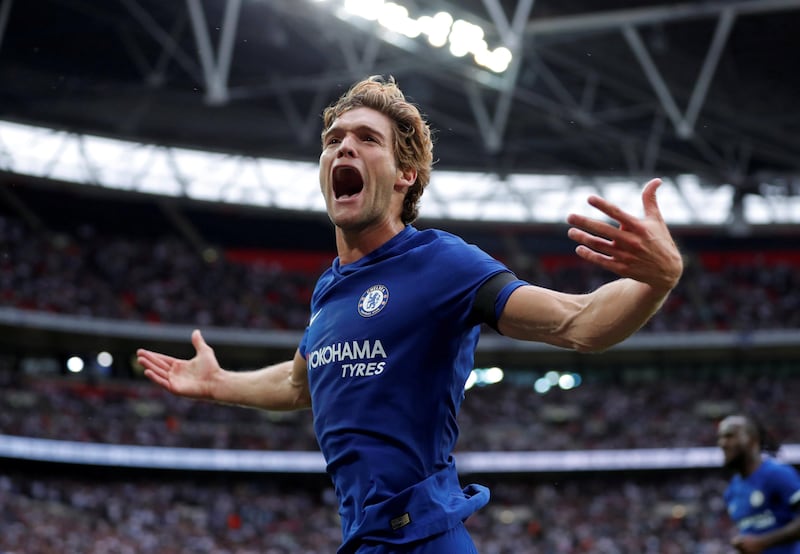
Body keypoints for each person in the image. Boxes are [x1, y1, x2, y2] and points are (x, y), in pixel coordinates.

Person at [137, 75, 684, 553]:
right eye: (334, 140)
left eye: (365, 139)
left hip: (422, 540)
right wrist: (218, 384)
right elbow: (299, 381)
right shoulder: (329, 290)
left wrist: (656, 280)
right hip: (363, 539)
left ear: (405, 176)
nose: (343, 148)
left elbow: (578, 321)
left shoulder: (442, 263)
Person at [717, 414, 800, 554]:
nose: (722, 443)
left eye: (730, 436)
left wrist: (762, 542)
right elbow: (752, 537)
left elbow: (758, 542)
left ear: (753, 440)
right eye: (720, 437)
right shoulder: (731, 491)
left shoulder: (778, 474)